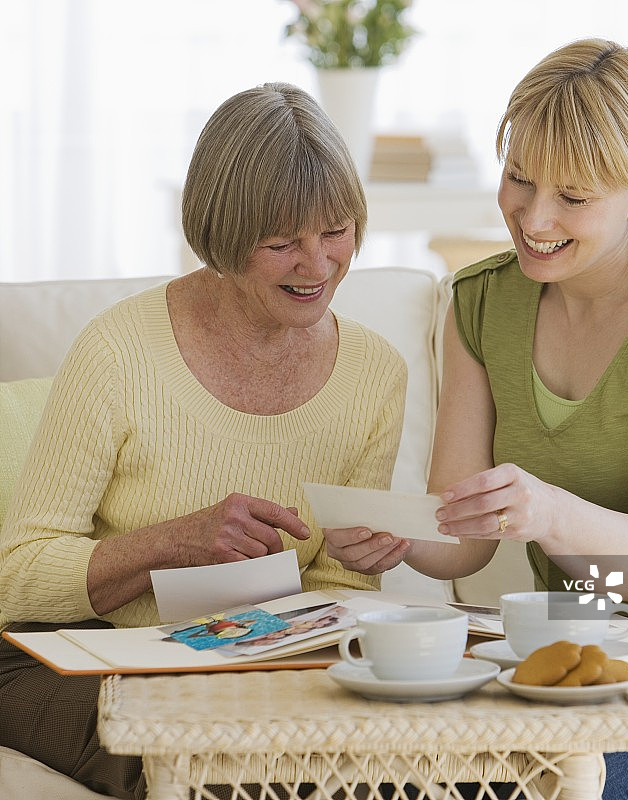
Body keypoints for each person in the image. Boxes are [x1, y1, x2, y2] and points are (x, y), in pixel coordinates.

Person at [325, 39, 628, 799]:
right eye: (519, 179)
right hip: (570, 657)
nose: (533, 217)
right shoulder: (482, 302)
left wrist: (549, 512)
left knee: (552, 789)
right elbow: (462, 542)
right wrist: (401, 536)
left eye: (573, 196)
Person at [0, 82, 406, 799]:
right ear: (220, 234)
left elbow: (342, 588)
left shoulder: (375, 373)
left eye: (336, 231)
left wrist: (341, 593)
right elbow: (15, 574)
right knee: (205, 760)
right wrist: (170, 544)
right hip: (76, 656)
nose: (317, 266)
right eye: (281, 244)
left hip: (245, 668)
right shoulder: (118, 351)